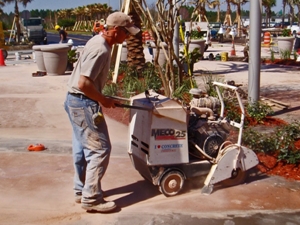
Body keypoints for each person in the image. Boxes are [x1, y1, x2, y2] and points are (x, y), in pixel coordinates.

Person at [64, 12, 140, 213]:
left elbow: (86, 80)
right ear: (116, 30)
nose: (128, 37)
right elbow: (84, 83)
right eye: (127, 33)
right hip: (83, 103)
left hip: (75, 101)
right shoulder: (101, 50)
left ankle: (82, 191)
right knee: (100, 149)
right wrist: (103, 100)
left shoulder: (97, 41)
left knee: (82, 148)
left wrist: (101, 96)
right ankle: (91, 198)